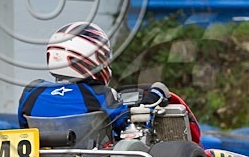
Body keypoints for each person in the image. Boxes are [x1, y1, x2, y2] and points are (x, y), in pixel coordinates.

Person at [17, 21, 201, 145]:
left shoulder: (32, 92)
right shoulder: (100, 94)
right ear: (90, 59)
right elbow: (131, 126)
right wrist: (155, 97)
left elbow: (24, 128)